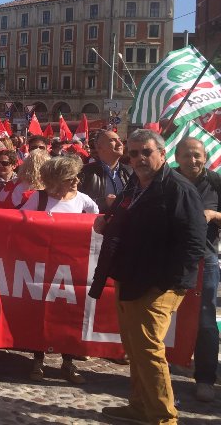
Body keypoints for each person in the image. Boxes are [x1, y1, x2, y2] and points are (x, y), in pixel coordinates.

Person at [94, 129, 206, 425]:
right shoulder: (135, 186)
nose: (140, 158)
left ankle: (163, 417)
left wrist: (168, 283)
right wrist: (106, 221)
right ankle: (140, 406)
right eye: (134, 153)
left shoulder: (178, 189)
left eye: (146, 152)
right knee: (135, 349)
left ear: (162, 153)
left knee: (148, 350)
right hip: (129, 277)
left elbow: (194, 242)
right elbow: (122, 217)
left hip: (156, 284)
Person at [20, 155, 97, 385]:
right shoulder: (39, 198)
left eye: (76, 176)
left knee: (68, 314)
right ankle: (38, 359)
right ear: (55, 179)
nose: (75, 181)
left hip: (72, 267)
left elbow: (98, 225)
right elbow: (19, 222)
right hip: (42, 265)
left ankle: (68, 362)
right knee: (41, 312)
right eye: (69, 177)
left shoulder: (84, 200)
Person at [173, 136, 220, 402]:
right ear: (176, 157)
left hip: (205, 260)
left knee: (205, 322)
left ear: (205, 156)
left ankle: (205, 378)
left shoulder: (215, 182)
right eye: (187, 155)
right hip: (169, 260)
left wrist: (214, 216)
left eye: (197, 155)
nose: (193, 160)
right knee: (164, 318)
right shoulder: (166, 180)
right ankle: (159, 374)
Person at [78, 129, 131, 213]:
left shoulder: (131, 172)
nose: (120, 144)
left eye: (119, 140)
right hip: (97, 224)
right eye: (112, 140)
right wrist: (104, 203)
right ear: (99, 147)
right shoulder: (84, 173)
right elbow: (75, 203)